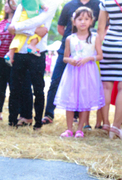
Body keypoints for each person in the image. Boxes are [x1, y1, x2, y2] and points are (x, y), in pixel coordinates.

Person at [43, 0, 100, 125]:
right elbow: (60, 28)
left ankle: (77, 116)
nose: (83, 21)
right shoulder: (68, 5)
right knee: (55, 81)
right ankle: (49, 114)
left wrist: (85, 39)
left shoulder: (97, 4)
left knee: (82, 86)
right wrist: (75, 40)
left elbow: (102, 26)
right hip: (67, 51)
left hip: (86, 54)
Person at [7, 1, 59, 129]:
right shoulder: (22, 4)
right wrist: (34, 31)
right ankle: (12, 121)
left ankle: (38, 123)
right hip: (20, 52)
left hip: (37, 52)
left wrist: (18, 28)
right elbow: (11, 28)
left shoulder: (49, 4)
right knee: (15, 88)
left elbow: (39, 21)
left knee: (38, 89)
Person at [54, 7, 104, 138]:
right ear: (74, 21)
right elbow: (65, 57)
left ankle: (80, 129)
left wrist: (88, 58)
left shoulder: (94, 37)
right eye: (80, 19)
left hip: (88, 72)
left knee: (84, 100)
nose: (83, 22)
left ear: (91, 21)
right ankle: (69, 129)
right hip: (73, 72)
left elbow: (100, 56)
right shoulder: (70, 38)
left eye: (86, 19)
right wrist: (70, 60)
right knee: (71, 99)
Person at [97, 0, 122, 139]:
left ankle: (105, 122)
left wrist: (98, 49)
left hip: (108, 46)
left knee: (106, 87)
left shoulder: (106, 1)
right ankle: (116, 127)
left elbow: (101, 28)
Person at [0, 0, 17, 121]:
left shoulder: (18, 22)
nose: (6, 5)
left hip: (14, 60)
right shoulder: (1, 23)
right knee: (0, 88)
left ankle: (13, 114)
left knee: (13, 87)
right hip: (0, 60)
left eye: (8, 3)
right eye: (5, 3)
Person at [5, 0, 48, 64]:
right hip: (31, 16)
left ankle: (10, 52)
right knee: (42, 30)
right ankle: (32, 45)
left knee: (19, 36)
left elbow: (16, 4)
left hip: (24, 15)